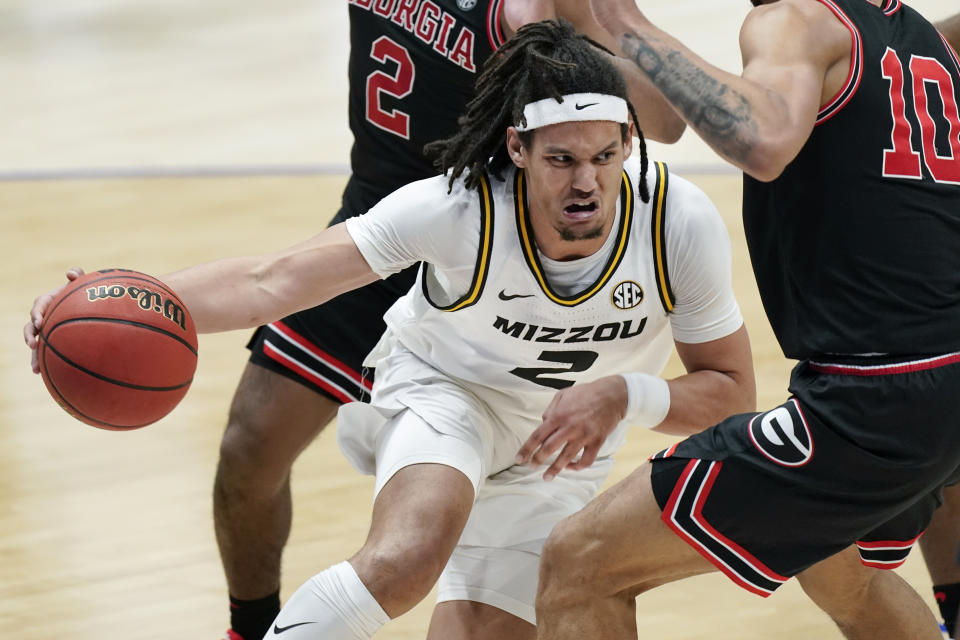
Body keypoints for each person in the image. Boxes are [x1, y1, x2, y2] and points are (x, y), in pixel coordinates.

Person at [26, 20, 754, 640]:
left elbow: (730, 394)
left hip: (556, 455)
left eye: (603, 156)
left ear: (629, 142)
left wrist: (625, 395)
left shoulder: (676, 222)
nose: (586, 183)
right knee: (405, 559)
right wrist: (118, 294)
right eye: (561, 160)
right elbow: (269, 282)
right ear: (517, 149)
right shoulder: (455, 208)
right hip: (446, 396)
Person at [208, 2, 684, 638]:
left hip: (476, 258)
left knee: (428, 554)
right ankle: (253, 625)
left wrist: (593, 26)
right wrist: (135, 296)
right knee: (249, 447)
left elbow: (666, 122)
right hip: (370, 234)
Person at [532, 1, 960, 639]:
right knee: (842, 575)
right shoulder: (922, 41)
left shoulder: (796, 20)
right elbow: (668, 116)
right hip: (937, 377)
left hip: (872, 397)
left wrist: (624, 20)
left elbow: (762, 141)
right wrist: (593, 25)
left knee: (579, 563)